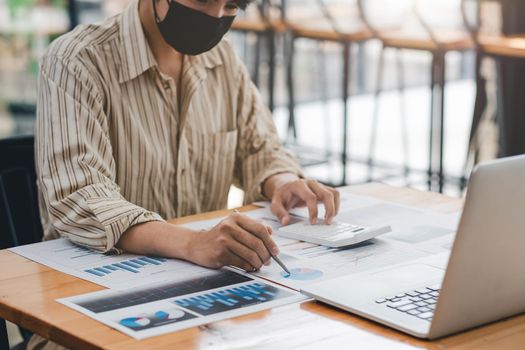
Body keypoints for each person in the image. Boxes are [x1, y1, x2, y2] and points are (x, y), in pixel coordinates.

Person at [31, 0, 340, 348]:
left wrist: (283, 182)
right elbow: (81, 197)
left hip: (203, 320)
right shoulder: (77, 61)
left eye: (232, 5)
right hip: (87, 318)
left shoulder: (222, 61)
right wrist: (194, 244)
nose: (216, 17)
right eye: (205, 0)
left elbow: (261, 150)